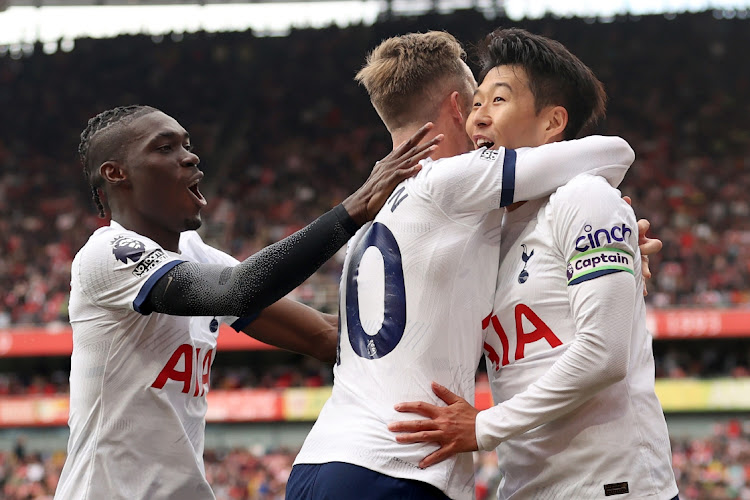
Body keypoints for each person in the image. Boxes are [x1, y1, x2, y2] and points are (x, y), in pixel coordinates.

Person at [287, 31, 637, 500]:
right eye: (477, 102)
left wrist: (610, 245)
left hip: (320, 459)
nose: (480, 119)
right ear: (457, 108)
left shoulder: (381, 206)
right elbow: (614, 153)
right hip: (398, 466)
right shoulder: (447, 180)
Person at [54, 104, 442, 500]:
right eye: (165, 147)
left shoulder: (191, 251)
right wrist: (354, 209)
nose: (190, 156)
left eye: (187, 145)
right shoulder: (105, 255)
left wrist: (452, 318)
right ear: (116, 173)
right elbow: (238, 289)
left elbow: (326, 336)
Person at [388, 29, 679, 500]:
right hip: (527, 488)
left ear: (552, 123)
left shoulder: (586, 197)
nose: (478, 116)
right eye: (475, 102)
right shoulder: (485, 234)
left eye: (497, 100)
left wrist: (484, 426)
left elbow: (604, 356)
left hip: (611, 485)